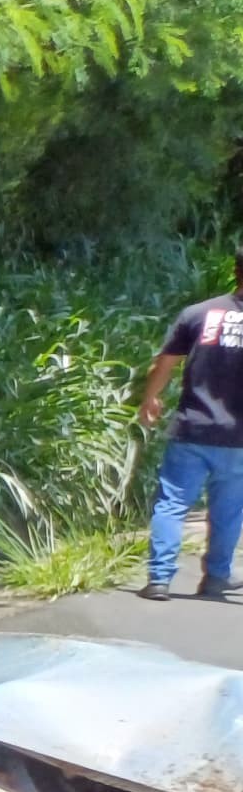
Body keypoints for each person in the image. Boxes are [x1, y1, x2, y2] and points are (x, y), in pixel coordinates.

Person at [135, 246, 243, 602]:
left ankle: (159, 581)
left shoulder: (199, 313)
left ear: (235, 269)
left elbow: (164, 363)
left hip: (192, 428)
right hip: (238, 438)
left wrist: (150, 397)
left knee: (172, 502)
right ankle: (215, 580)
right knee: (228, 510)